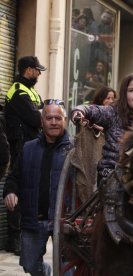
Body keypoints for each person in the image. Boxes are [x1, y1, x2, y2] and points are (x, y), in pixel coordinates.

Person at [3, 100, 72, 276]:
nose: (54, 122)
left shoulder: (74, 151)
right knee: (30, 265)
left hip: (64, 221)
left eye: (58, 118)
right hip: (34, 219)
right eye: (49, 118)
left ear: (65, 121)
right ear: (42, 121)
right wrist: (10, 192)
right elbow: (14, 178)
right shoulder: (28, 148)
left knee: (67, 270)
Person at [71, 73, 133, 184]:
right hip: (112, 176)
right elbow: (87, 108)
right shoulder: (113, 112)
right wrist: (79, 112)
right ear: (124, 94)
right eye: (131, 90)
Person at [4, 56, 46, 255]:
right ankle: (15, 239)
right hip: (21, 146)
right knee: (18, 189)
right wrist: (44, 113)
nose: (39, 74)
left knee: (29, 189)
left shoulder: (29, 91)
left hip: (31, 144)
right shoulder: (19, 92)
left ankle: (22, 235)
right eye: (38, 70)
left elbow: (40, 111)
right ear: (29, 70)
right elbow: (37, 118)